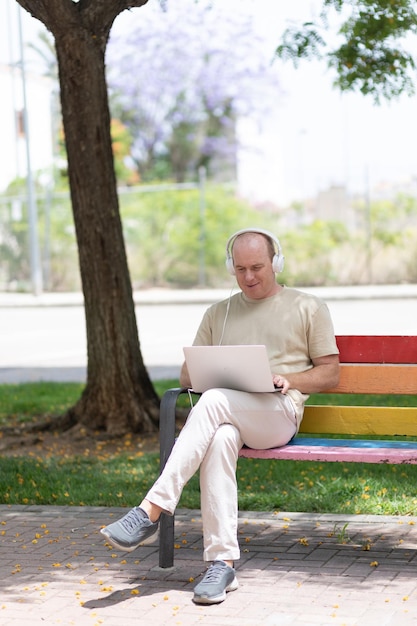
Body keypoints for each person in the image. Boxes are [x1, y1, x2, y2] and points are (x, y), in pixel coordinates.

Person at [101, 227, 340, 604]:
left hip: (278, 414)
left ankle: (151, 509)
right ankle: (222, 563)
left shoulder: (307, 306)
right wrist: (214, 369)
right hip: (229, 416)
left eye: (257, 267)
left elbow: (330, 373)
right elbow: (185, 375)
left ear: (276, 262)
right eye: (240, 268)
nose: (248, 277)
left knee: (212, 402)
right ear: (231, 266)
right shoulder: (220, 313)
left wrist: (287, 379)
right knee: (219, 438)